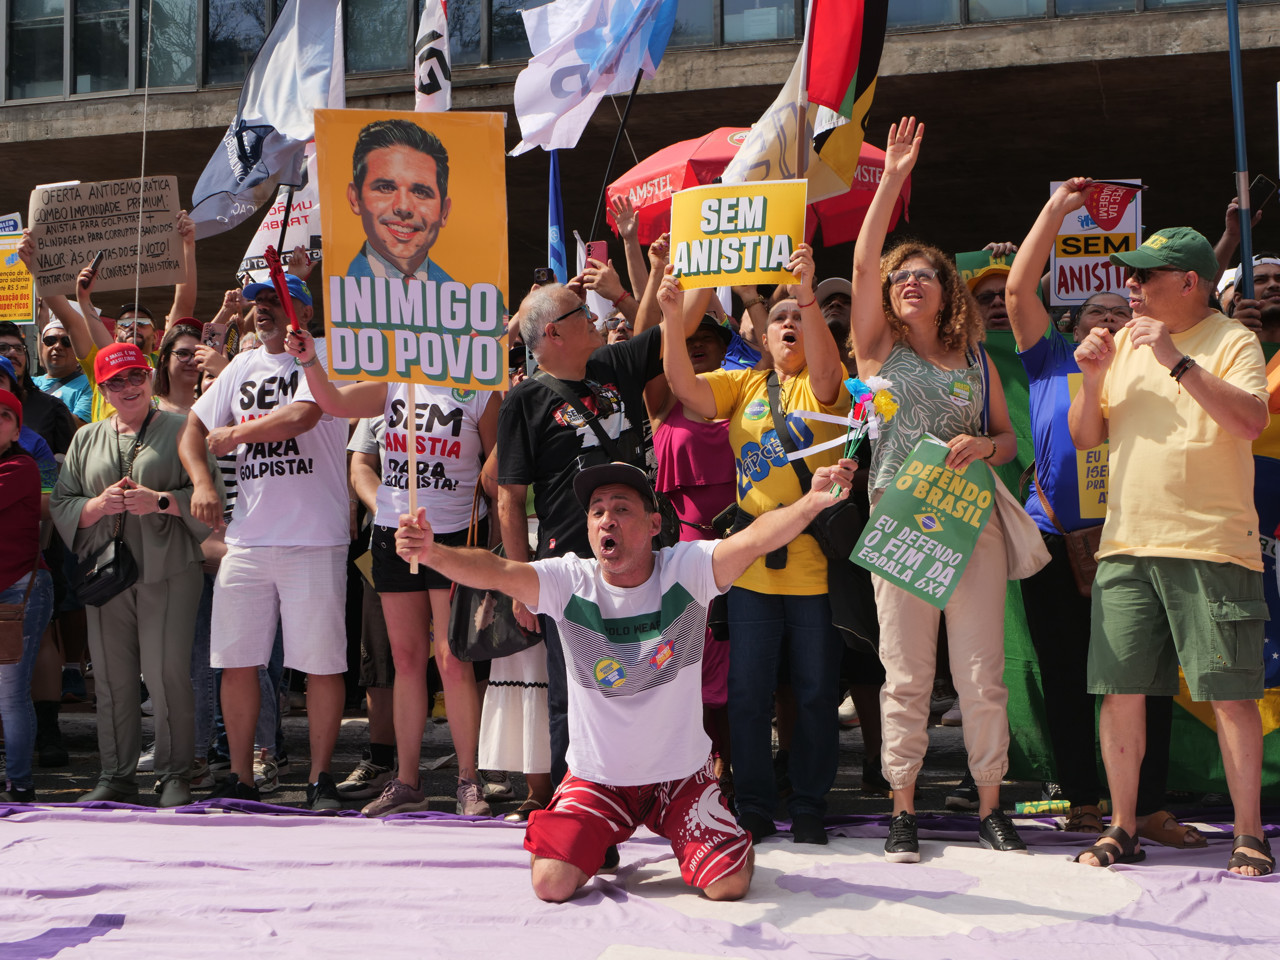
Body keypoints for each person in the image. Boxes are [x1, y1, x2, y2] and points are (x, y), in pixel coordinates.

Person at [396, 457, 858, 901]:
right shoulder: (567, 580)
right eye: (597, 511)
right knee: (551, 883)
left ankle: (720, 842)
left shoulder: (688, 569)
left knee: (728, 885)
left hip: (680, 782)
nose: (607, 520)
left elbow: (754, 538)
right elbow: (497, 570)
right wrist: (432, 552)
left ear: (654, 524)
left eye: (621, 509)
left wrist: (812, 502)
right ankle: (601, 834)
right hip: (597, 782)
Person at [1068, 226, 1273, 877]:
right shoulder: (1123, 343)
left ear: (1189, 282)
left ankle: (1249, 833)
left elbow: (1251, 421)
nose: (1131, 286)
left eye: (1145, 276)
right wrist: (1090, 379)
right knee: (1120, 691)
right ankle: (1123, 826)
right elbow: (1085, 438)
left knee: (1230, 695)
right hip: (1126, 545)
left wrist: (1176, 360)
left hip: (1213, 545)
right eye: (1130, 275)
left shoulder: (1233, 340)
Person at [1007, 178, 1205, 848]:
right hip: (1053, 540)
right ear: (1069, 325)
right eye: (1093, 312)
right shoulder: (1048, 361)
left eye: (1119, 312)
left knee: (1147, 679)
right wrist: (1055, 211)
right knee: (1066, 676)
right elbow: (1017, 290)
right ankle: (1083, 801)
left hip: (1139, 540)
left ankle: (1148, 809)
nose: (1107, 321)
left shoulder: (1155, 366)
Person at [850, 117, 1026, 861]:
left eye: (924, 274)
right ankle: (903, 807)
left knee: (982, 674)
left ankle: (991, 805)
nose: (910, 282)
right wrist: (892, 178)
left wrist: (985, 445)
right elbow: (862, 264)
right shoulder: (877, 349)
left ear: (945, 290)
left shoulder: (975, 358)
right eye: (901, 277)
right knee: (907, 677)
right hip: (899, 526)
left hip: (969, 524)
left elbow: (1007, 440)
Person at [659, 242, 848, 847]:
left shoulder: (829, 384)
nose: (789, 323)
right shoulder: (743, 385)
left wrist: (806, 292)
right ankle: (757, 804)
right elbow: (682, 385)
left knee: (815, 694)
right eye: (778, 318)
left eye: (798, 317)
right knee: (746, 697)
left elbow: (825, 372)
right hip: (749, 569)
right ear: (761, 337)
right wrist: (670, 315)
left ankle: (811, 803)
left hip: (815, 569)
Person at [283, 326, 500, 816]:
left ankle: (469, 780)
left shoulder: (480, 388)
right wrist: (310, 360)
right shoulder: (395, 380)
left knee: (452, 659)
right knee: (406, 660)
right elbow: (333, 402)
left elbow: (496, 468)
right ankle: (407, 780)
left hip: (453, 536)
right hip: (394, 534)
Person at [497, 282, 701, 797]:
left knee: (660, 679)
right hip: (571, 571)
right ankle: (577, 804)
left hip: (643, 561)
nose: (594, 317)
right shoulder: (523, 399)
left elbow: (686, 321)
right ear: (553, 332)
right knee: (573, 694)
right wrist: (521, 587)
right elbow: (508, 498)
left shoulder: (616, 363)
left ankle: (657, 795)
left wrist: (690, 276)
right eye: (580, 313)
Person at [179, 273, 351, 810]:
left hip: (314, 538)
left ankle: (319, 779)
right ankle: (240, 777)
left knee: (321, 664)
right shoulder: (242, 365)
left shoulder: (326, 357)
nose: (263, 309)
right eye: (258, 301)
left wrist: (236, 434)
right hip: (248, 540)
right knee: (235, 660)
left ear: (304, 310)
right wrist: (203, 483)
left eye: (276, 300)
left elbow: (303, 415)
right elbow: (192, 430)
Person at [50, 344, 211, 807]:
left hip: (168, 569)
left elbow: (208, 499)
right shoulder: (86, 438)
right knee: (112, 678)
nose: (128, 387)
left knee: (166, 676)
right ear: (102, 389)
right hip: (106, 576)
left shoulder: (183, 429)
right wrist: (98, 505)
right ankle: (116, 775)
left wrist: (159, 501)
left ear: (150, 376)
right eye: (115, 381)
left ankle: (175, 774)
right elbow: (62, 504)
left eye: (135, 375)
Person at [0, 388, 55, 803]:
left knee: (11, 695)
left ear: (18, 430)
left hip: (19, 592)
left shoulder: (22, 467)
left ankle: (19, 785)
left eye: (4, 415)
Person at [346, 119, 453, 283]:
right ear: (354, 198)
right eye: (386, 188)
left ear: (444, 212)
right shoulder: (337, 285)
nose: (403, 207)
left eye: (420, 192)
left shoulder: (467, 297)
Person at [0, 321, 74, 460]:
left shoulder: (53, 408)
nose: (13, 353)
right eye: (2, 348)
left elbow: (69, 464)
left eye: (19, 348)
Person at [33, 314, 91, 424]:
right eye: (50, 340)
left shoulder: (89, 385)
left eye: (66, 341)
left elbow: (81, 426)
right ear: (42, 347)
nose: (57, 346)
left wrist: (43, 400)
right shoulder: (30, 382)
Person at [153, 322, 204, 416]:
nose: (192, 361)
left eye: (198, 354)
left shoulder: (212, 411)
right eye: (183, 353)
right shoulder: (146, 408)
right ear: (164, 358)